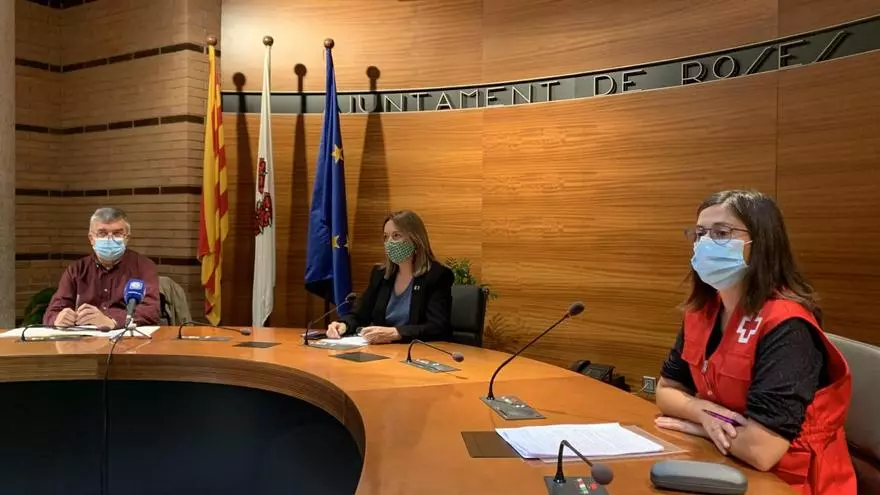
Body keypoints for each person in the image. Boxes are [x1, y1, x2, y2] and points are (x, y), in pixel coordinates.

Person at [655, 190, 856, 494]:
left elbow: (762, 449)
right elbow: (667, 390)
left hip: (791, 480)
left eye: (721, 233)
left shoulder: (788, 326)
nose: (705, 243)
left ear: (761, 243)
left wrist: (698, 426)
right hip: (727, 461)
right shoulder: (702, 311)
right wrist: (700, 412)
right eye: (700, 233)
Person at [326, 210, 453, 344]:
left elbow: (436, 326)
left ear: (415, 239)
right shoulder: (381, 274)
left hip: (418, 350)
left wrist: (396, 333)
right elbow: (360, 314)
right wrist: (343, 325)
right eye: (386, 237)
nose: (389, 242)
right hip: (384, 350)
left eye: (396, 235)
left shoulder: (436, 275)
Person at [43, 207, 160, 329]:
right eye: (102, 233)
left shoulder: (143, 266)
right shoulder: (77, 270)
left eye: (117, 233)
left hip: (126, 336)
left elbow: (151, 310)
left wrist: (113, 321)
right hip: (84, 337)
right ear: (91, 239)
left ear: (127, 238)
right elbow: (52, 312)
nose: (109, 239)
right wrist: (58, 318)